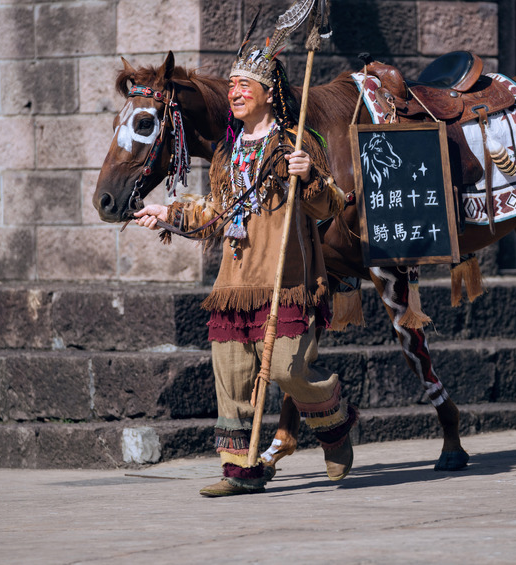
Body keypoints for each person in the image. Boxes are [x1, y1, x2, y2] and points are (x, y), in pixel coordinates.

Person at [134, 36, 355, 498]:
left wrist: (309, 177)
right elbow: (216, 211)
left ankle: (333, 422)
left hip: (286, 282)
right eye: (231, 85)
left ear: (270, 92)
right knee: (232, 380)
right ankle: (241, 469)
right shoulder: (227, 153)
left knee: (287, 372)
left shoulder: (297, 144)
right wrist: (168, 213)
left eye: (244, 85)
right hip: (235, 283)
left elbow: (330, 205)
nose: (233, 92)